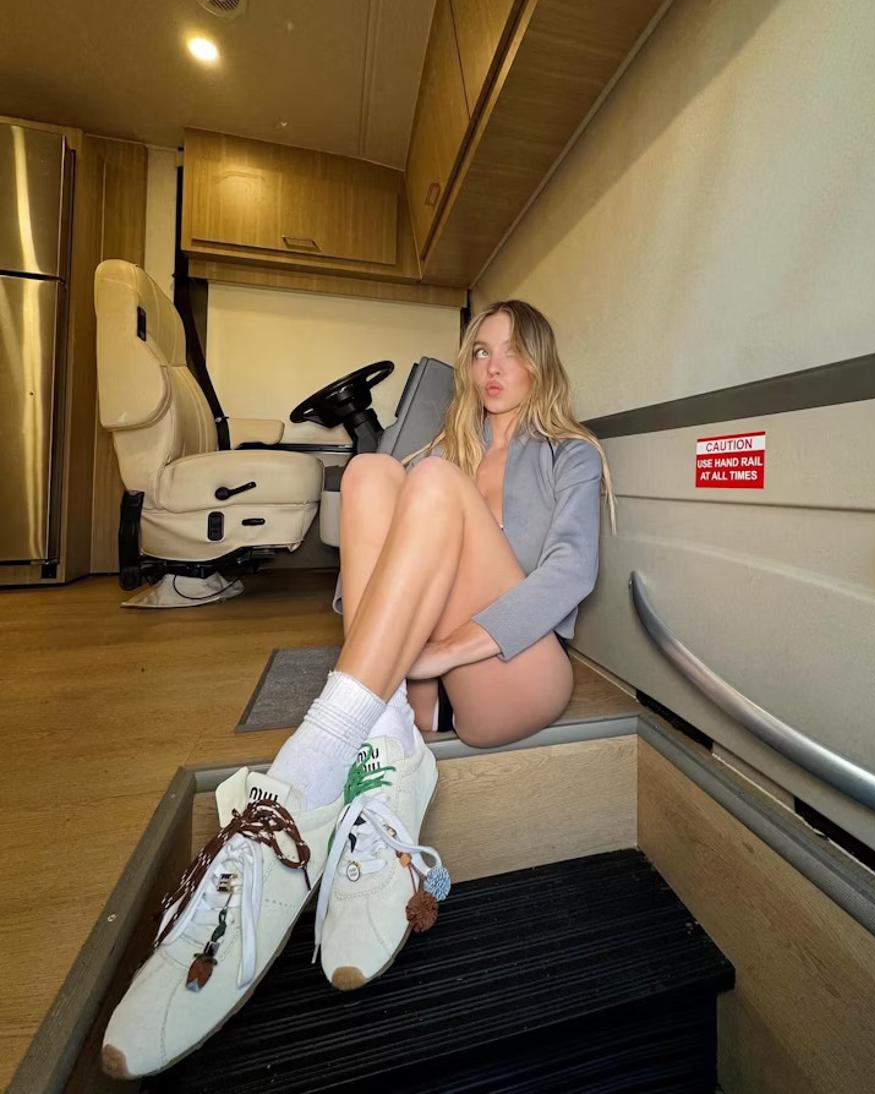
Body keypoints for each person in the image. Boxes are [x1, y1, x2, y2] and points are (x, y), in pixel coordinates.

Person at [101, 300, 614, 1080]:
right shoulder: (449, 447)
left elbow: (572, 571)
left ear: (541, 362)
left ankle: (309, 769)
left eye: (512, 351)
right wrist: (403, 658)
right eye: (480, 352)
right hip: (428, 686)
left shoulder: (568, 453)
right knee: (373, 471)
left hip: (519, 669)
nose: (493, 367)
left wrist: (436, 655)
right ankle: (384, 742)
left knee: (429, 480)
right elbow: (365, 580)